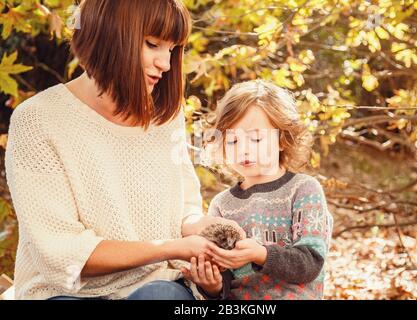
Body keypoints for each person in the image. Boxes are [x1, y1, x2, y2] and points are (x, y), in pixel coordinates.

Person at [4, 0, 241, 300]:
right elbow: (61, 252)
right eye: (152, 44)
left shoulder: (165, 118)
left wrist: (211, 231)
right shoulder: (38, 119)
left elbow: (183, 210)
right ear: (109, 36)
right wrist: (170, 248)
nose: (165, 64)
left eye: (171, 50)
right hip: (63, 293)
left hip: (155, 286)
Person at [182, 80, 334, 300]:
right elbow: (225, 281)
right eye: (232, 140)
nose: (244, 149)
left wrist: (261, 254)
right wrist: (212, 286)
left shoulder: (303, 190)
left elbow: (311, 263)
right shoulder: (222, 205)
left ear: (282, 139)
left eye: (255, 139)